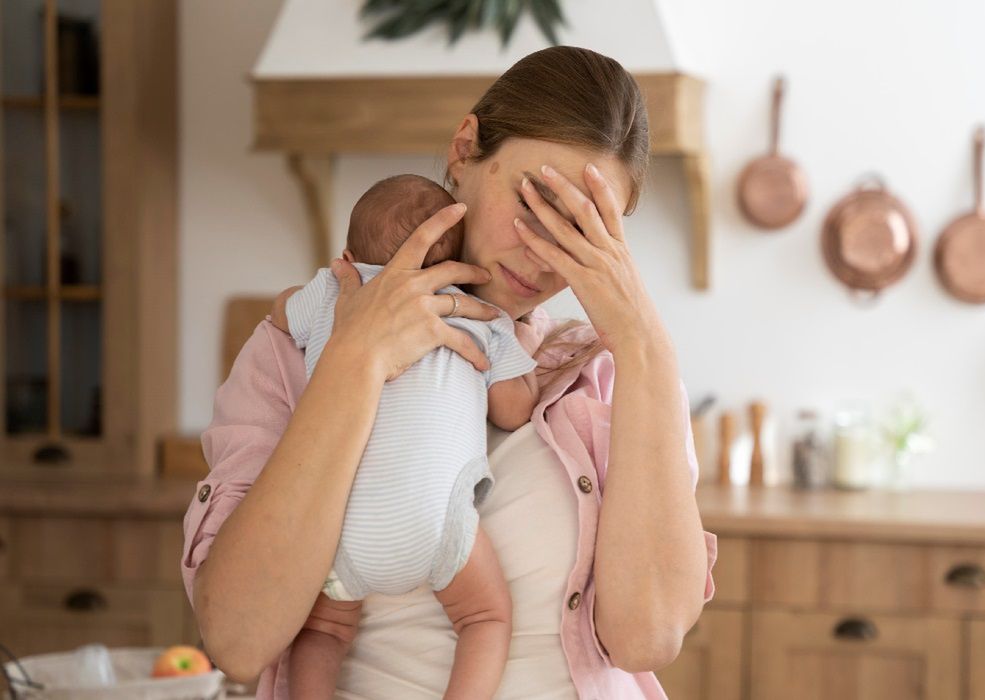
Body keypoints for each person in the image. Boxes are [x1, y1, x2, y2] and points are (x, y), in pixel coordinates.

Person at [181, 45, 717, 699]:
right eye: (535, 201)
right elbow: (238, 640)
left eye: (578, 227)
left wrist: (644, 345)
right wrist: (355, 361)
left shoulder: (609, 380)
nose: (542, 252)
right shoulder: (294, 356)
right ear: (465, 149)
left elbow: (646, 637)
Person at [273, 173, 542, 699]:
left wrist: (315, 288)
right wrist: (521, 344)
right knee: (485, 619)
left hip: (340, 527)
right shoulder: (478, 315)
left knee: (323, 631)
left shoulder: (333, 295)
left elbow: (279, 314)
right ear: (457, 266)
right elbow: (514, 411)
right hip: (436, 524)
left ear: (349, 256)